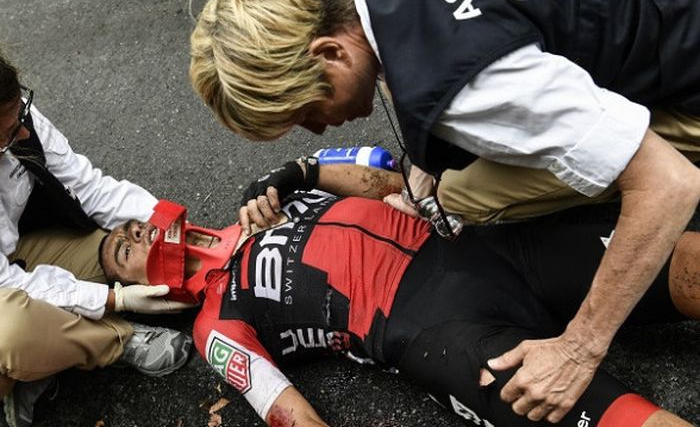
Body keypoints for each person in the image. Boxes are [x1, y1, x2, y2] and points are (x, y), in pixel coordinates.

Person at [187, 0, 700, 420]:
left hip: (681, 77)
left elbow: (670, 184)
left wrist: (579, 347)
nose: (320, 132)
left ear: (330, 51)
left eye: (307, 112)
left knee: (474, 197)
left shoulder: (473, 89)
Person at [99, 162, 698, 427]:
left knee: (679, 260)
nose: (132, 235)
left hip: (473, 249)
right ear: (141, 292)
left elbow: (391, 179)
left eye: (129, 227)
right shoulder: (215, 329)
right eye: (120, 253)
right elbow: (287, 412)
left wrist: (300, 171)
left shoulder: (262, 208)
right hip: (436, 332)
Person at [0, 51, 193, 427]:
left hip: (14, 255)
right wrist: (115, 300)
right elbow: (7, 285)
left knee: (125, 256)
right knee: (13, 335)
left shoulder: (13, 114)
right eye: (8, 136)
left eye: (19, 116)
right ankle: (113, 340)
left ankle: (42, 359)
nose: (23, 133)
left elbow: (87, 187)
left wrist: (171, 229)